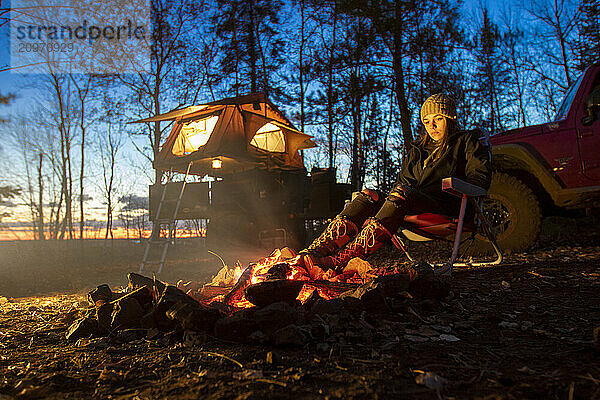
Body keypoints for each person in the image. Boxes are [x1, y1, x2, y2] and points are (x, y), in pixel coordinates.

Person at [300, 93, 492, 271]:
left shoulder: (467, 141)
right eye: (426, 121)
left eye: (438, 119)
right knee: (368, 195)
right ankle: (314, 253)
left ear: (451, 118)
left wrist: (457, 187)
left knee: (402, 192)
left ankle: (341, 260)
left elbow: (480, 178)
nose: (431, 126)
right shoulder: (418, 149)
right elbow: (404, 183)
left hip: (447, 204)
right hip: (413, 203)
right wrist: (381, 203)